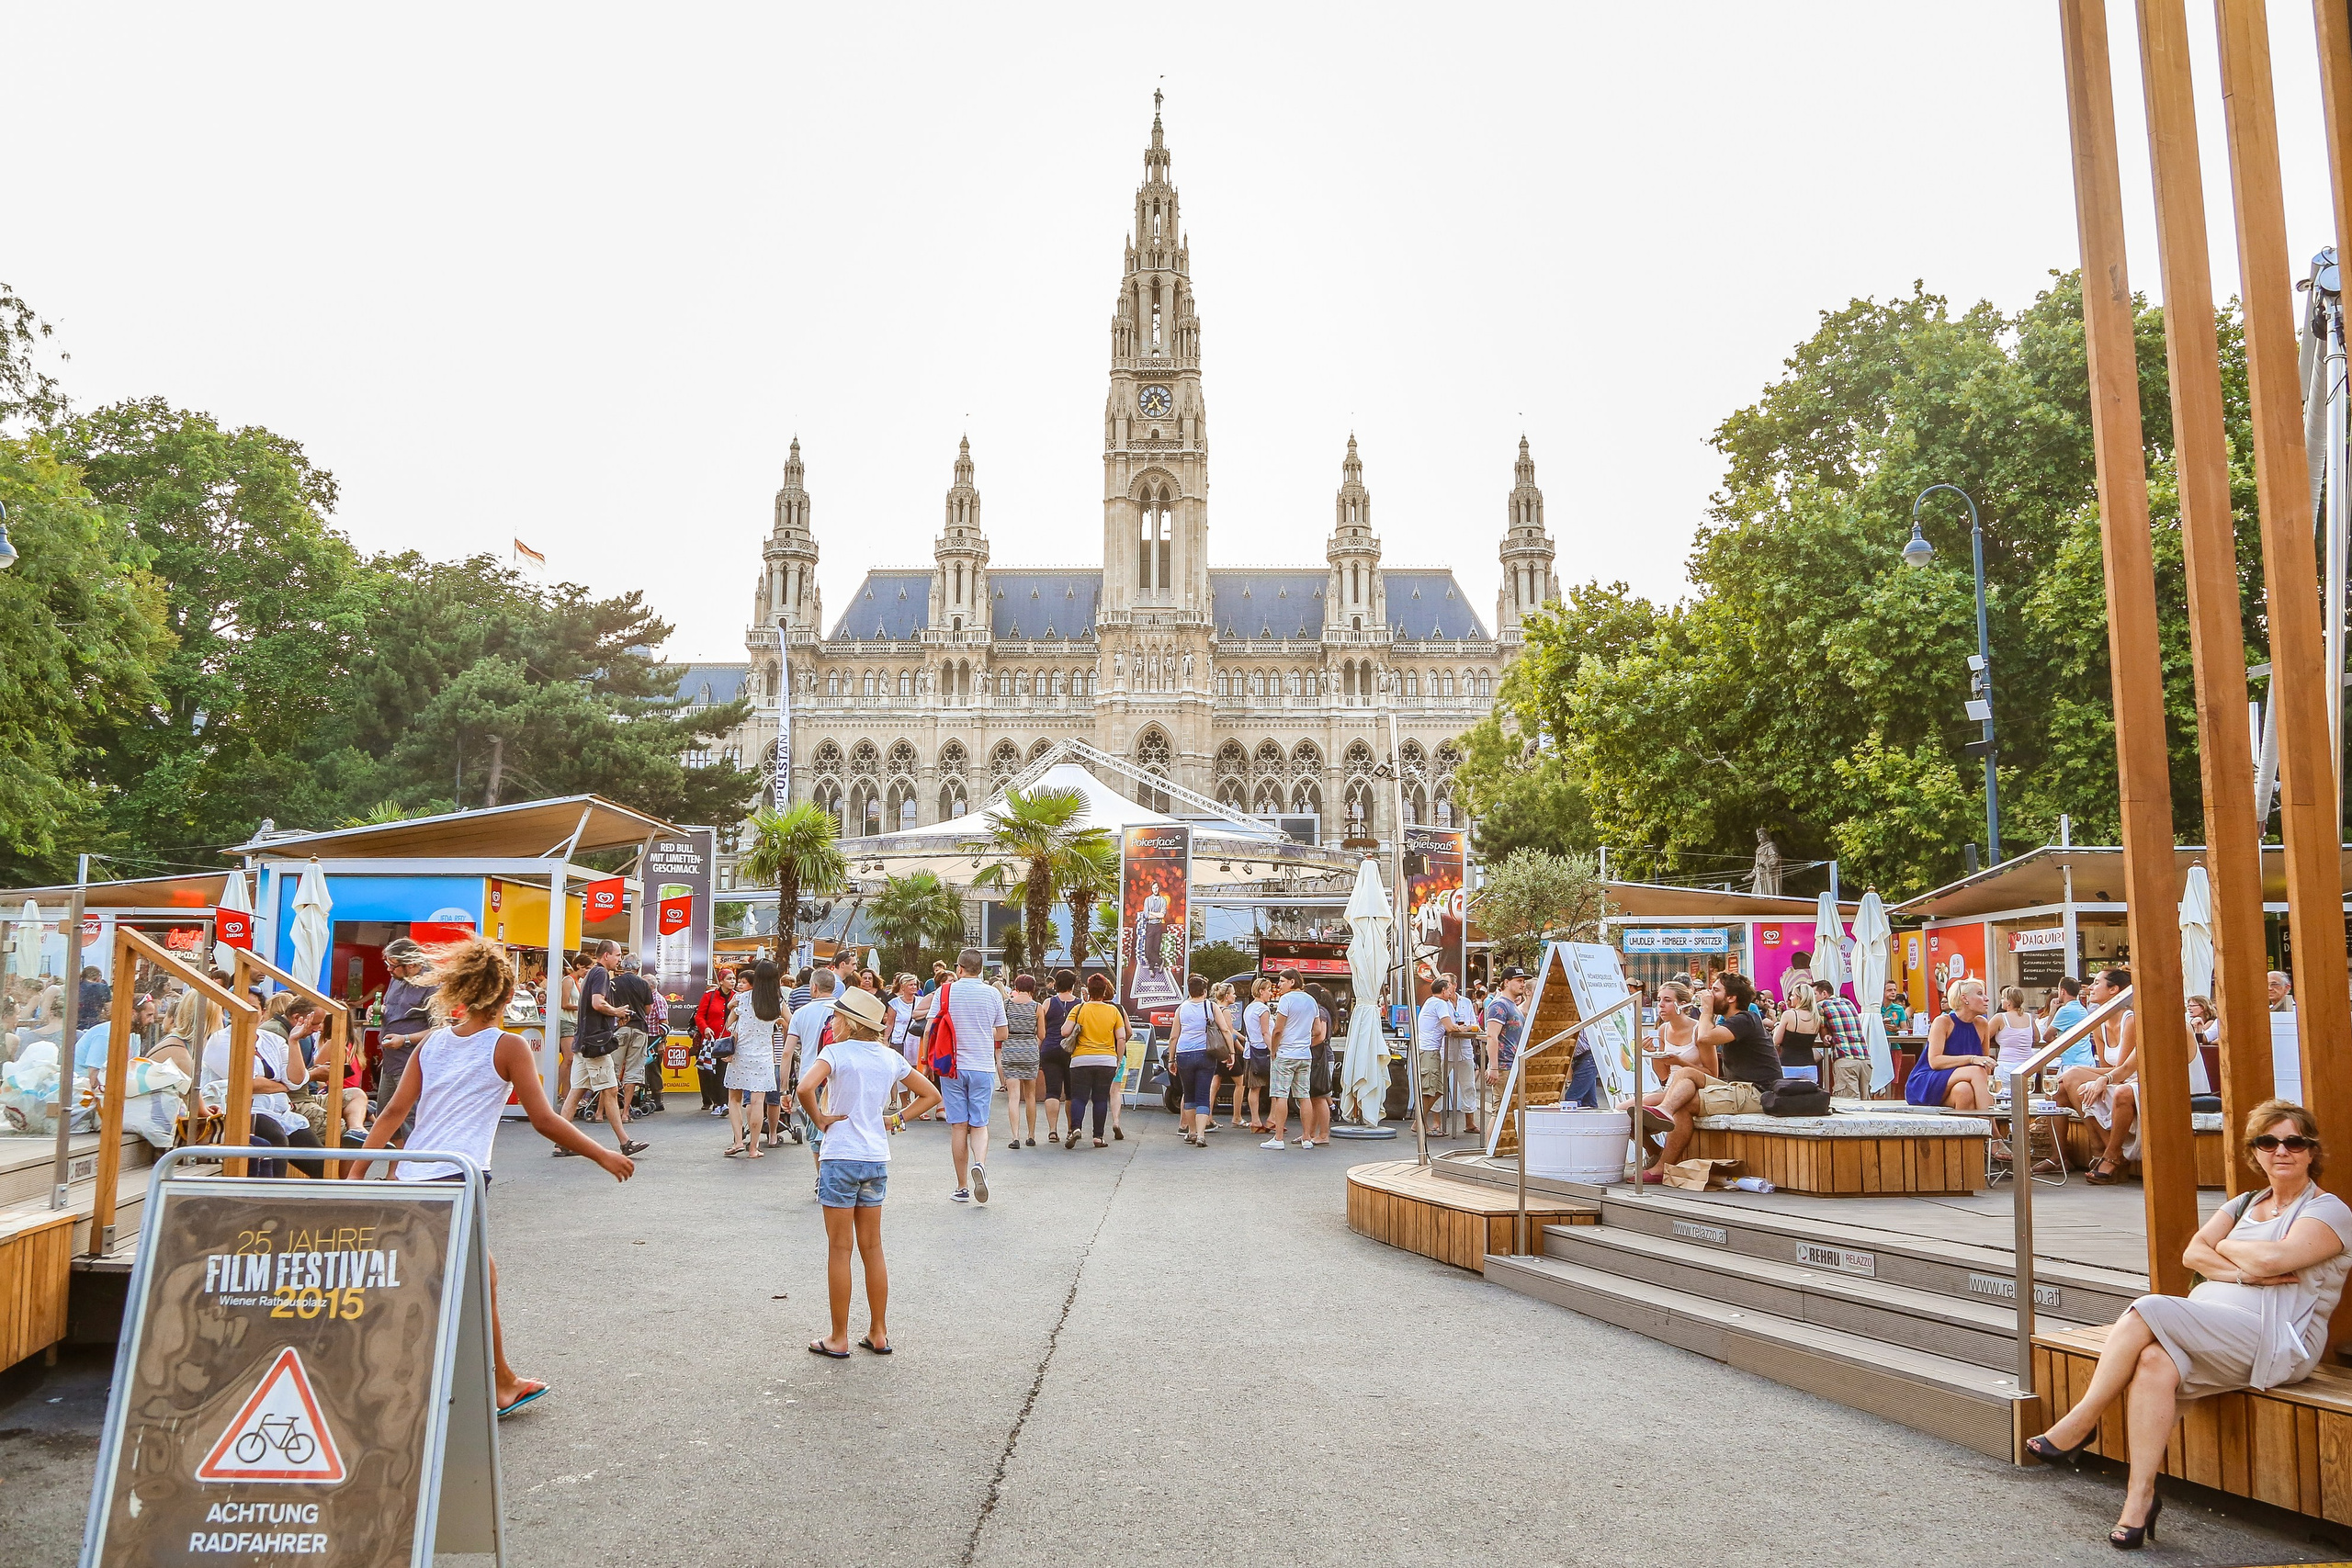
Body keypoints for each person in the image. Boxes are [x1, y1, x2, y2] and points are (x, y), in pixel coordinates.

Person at [2026, 1100, 2352, 1549]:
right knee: (2156, 1361)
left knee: (2149, 1307)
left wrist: (2230, 1249)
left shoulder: (2329, 1211)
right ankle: (2139, 1501)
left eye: (2294, 1141)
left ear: (2312, 1151)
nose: (2282, 1150)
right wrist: (2244, 1272)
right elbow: (2193, 1253)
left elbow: (2274, 1257)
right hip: (2216, 1328)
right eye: (2268, 1141)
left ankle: (2081, 1421)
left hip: (2279, 1340)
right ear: (2254, 1152)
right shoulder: (2244, 1204)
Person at [349, 936, 633, 1416]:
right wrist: (602, 1153)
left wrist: (355, 1177)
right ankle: (442, 1382)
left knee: (470, 1275)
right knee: (453, 1280)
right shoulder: (509, 1046)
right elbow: (543, 1119)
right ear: (505, 997)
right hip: (458, 1177)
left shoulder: (434, 1044)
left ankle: (491, 1378)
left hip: (415, 1174)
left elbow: (393, 1112)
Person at [798, 985, 942, 1359]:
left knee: (839, 1249)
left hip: (839, 1155)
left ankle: (838, 1337)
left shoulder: (834, 1052)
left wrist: (820, 1119)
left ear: (847, 1021)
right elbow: (931, 1095)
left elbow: (804, 1088)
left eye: (836, 1016)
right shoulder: (888, 1057)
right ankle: (878, 1332)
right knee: (873, 1247)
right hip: (875, 1157)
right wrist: (895, 1119)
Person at [1631, 971, 1775, 1179]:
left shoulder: (1745, 1019)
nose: (1708, 994)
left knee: (1683, 1104)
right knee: (1687, 1073)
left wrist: (1706, 1009)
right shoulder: (1731, 1021)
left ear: (1731, 998)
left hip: (1757, 1091)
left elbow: (1705, 1038)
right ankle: (1664, 1112)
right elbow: (1666, 1075)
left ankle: (1662, 1165)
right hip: (1736, 1088)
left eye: (1715, 990)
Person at [557, 942, 644, 1157]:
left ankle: (560, 1142)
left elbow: (593, 1006)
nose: (619, 959)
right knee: (611, 1091)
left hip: (583, 1042)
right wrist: (616, 1012)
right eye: (616, 955)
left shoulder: (590, 975)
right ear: (606, 955)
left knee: (576, 1092)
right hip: (595, 1044)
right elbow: (598, 1003)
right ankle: (625, 1142)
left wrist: (614, 1016)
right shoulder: (601, 974)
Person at [935, 947, 1008, 1203]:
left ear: (959, 968)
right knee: (979, 1123)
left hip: (952, 1065)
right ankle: (980, 1164)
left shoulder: (944, 992)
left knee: (958, 1126)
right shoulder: (992, 994)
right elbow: (1002, 1034)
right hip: (982, 1066)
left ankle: (962, 1186)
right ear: (981, 969)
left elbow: (933, 1028)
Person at [1906, 977, 1996, 1111]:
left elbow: (1986, 1066)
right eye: (1980, 994)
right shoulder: (1943, 1021)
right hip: (1928, 1079)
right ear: (1964, 998)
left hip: (1963, 1082)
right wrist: (1971, 1059)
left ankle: (1970, 1132)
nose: (1986, 998)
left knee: (1963, 1090)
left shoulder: (1982, 1024)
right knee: (1977, 1070)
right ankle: (1992, 1127)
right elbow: (1935, 1061)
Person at [375, 938, 437, 1128]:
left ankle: (412, 1158)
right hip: (390, 1061)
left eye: (392, 966)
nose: (389, 970)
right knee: (386, 1117)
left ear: (410, 964)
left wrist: (406, 1039)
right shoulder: (396, 979)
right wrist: (380, 1010)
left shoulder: (432, 985)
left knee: (410, 1120)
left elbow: (439, 1029)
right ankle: (395, 1158)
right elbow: (393, 1006)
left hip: (412, 1062)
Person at [786, 968, 842, 1179]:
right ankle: (834, 1176)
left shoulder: (801, 1013)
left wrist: (785, 1089)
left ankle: (822, 1178)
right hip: (837, 1077)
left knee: (816, 1132)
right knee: (837, 1127)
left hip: (810, 1078)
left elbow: (787, 1052)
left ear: (814, 987)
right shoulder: (842, 1011)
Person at [724, 959, 782, 1157]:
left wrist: (732, 1008)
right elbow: (792, 1024)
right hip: (764, 1057)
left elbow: (729, 1025)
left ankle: (739, 1140)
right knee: (758, 1102)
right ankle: (753, 1148)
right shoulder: (777, 1002)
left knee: (734, 1098)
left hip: (740, 1054)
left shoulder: (743, 998)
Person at [1061, 975, 1127, 1149]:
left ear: (1088, 991)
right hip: (1106, 1060)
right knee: (1099, 1099)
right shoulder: (1113, 1011)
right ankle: (1098, 1137)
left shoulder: (1079, 1008)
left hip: (1081, 1060)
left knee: (1079, 1098)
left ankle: (1075, 1128)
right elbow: (1121, 1038)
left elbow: (1065, 1031)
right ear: (1104, 991)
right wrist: (1118, 1060)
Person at [1264, 967, 1322, 1149]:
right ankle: (1306, 1138)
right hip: (1304, 1055)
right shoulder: (1311, 1001)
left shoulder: (1286, 999)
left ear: (1292, 982)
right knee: (1304, 1096)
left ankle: (1279, 1138)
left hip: (1285, 1053)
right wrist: (1304, 1040)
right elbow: (1318, 1031)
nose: (1278, 985)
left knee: (1281, 1094)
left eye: (1282, 981)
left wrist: (1274, 1050)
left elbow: (1278, 1029)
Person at [1412, 976, 1476, 1139]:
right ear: (1443, 990)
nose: (1451, 991)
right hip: (1431, 1050)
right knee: (1431, 1089)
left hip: (1431, 1050)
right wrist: (1466, 1028)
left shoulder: (1431, 1001)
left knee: (1437, 1089)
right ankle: (1420, 1122)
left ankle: (1420, 1121)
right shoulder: (1440, 1003)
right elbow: (1450, 1027)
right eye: (1449, 989)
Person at [1171, 974, 1218, 1146]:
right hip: (1205, 1054)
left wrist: (1171, 1059)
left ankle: (1190, 1132)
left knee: (1189, 1094)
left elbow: (1174, 1036)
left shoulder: (1181, 1008)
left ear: (1189, 991)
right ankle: (1201, 1135)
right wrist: (1231, 1054)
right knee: (1203, 1095)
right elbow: (1225, 1030)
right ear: (1205, 991)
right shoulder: (1211, 1007)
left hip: (1184, 1054)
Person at [609, 955, 656, 1120]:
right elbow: (648, 1010)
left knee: (613, 1070)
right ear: (637, 968)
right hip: (639, 1028)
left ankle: (610, 1110)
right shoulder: (644, 984)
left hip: (619, 1028)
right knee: (633, 1071)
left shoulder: (613, 983)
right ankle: (626, 1112)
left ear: (623, 967)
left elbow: (608, 1006)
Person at [1811, 980, 1871, 1100]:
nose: (1813, 998)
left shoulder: (1821, 1005)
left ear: (1824, 993)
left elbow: (1821, 1029)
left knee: (1848, 1105)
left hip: (1845, 1059)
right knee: (1866, 1104)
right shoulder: (1848, 1002)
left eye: (1814, 994)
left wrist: (1826, 1036)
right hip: (1864, 1059)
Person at [1001, 974, 1042, 1148]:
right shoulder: (1037, 1007)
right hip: (1030, 1051)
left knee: (1013, 1097)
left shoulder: (1007, 1005)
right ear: (1033, 988)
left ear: (1016, 987)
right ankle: (1031, 1135)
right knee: (1030, 1095)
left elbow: (1001, 1030)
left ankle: (1015, 1136)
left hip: (1010, 1050)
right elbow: (1042, 1035)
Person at [1483, 966, 1530, 1105]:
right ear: (1506, 982)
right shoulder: (1499, 1005)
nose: (1522, 984)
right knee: (1501, 1111)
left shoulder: (1512, 1006)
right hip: (1504, 1066)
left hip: (1512, 1065)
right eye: (1519, 980)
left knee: (1508, 1112)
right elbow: (1491, 1036)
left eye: (1523, 981)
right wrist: (1494, 1067)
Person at [1040, 970, 1077, 1145]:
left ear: (1056, 984)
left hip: (1050, 1049)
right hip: (1072, 1052)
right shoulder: (1080, 1004)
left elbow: (1041, 1029)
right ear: (1073, 985)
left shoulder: (1048, 1002)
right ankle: (1071, 1129)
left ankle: (1052, 1130)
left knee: (1052, 1091)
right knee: (1071, 1093)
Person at [694, 969, 732, 1116]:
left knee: (724, 1072)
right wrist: (706, 1028)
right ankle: (717, 1102)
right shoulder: (709, 996)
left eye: (733, 978)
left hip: (729, 1041)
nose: (733, 981)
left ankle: (723, 1103)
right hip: (712, 1041)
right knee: (712, 1073)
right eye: (729, 978)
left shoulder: (737, 997)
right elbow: (699, 1016)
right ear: (721, 981)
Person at [1205, 980, 1244, 1132]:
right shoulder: (1226, 1011)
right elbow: (1229, 1032)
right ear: (1227, 996)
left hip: (1216, 1050)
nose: (1235, 996)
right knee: (1240, 1083)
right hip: (1226, 1051)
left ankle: (1208, 1116)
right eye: (1233, 993)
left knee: (1215, 1083)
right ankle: (1237, 1116)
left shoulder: (1215, 1009)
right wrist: (1244, 1042)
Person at [1240, 976, 1275, 1133]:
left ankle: (1255, 1121)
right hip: (1263, 1052)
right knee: (1276, 1087)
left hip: (1251, 1051)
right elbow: (1265, 1033)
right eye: (1268, 990)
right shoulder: (1263, 1009)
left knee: (1254, 1088)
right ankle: (1273, 1118)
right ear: (1261, 991)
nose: (1270, 994)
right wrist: (1274, 1051)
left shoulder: (1249, 1008)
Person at [556, 952, 589, 1106]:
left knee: (573, 1060)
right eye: (586, 968)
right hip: (567, 1021)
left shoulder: (579, 982)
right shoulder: (568, 980)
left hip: (576, 1023)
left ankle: (566, 1093)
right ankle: (559, 1092)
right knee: (568, 1058)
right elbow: (564, 1004)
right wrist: (582, 1007)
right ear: (578, 966)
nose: (587, 971)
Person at [2048, 976, 2093, 1067]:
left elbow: (2047, 1036)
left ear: (2063, 991)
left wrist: (2052, 1011)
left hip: (2072, 1063)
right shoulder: (2083, 1009)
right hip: (2087, 1061)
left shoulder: (2065, 1010)